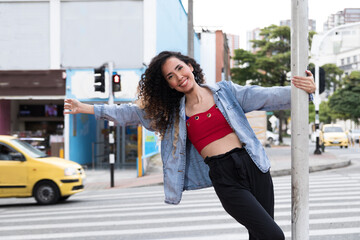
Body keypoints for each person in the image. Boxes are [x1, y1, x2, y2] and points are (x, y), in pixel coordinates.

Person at [64, 51, 315, 239]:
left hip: (254, 165)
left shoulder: (225, 92)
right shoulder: (173, 113)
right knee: (274, 235)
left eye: (179, 68)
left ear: (191, 67)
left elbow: (266, 96)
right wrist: (87, 108)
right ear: (169, 85)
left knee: (259, 235)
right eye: (170, 77)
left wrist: (306, 91)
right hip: (225, 177)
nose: (178, 77)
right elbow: (130, 113)